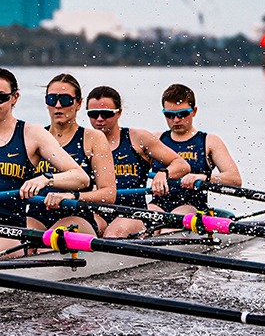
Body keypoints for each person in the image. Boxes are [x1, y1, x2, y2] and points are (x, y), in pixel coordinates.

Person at [0, 68, 91, 258]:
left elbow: (81, 178)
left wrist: (46, 179)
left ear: (15, 97)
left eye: (0, 98)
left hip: (10, 228)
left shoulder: (32, 135)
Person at [85, 84, 190, 238]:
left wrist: (163, 173)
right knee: (81, 232)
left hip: (133, 213)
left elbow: (181, 164)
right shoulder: (84, 141)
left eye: (106, 114)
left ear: (119, 113)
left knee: (113, 234)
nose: (99, 119)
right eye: (94, 114)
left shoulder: (137, 138)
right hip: (98, 211)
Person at [27, 72, 118, 237]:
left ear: (79, 103)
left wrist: (73, 196)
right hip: (37, 214)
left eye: (66, 100)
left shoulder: (93, 138)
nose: (59, 105)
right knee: (21, 244)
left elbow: (109, 194)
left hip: (76, 214)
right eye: (52, 99)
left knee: (46, 246)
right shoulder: (35, 136)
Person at [150, 83, 243, 213]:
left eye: (182, 114)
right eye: (169, 115)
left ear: (194, 111)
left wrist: (205, 178)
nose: (176, 120)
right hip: (157, 204)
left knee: (169, 227)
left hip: (192, 207)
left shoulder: (209, 142)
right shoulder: (156, 139)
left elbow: (235, 179)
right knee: (143, 219)